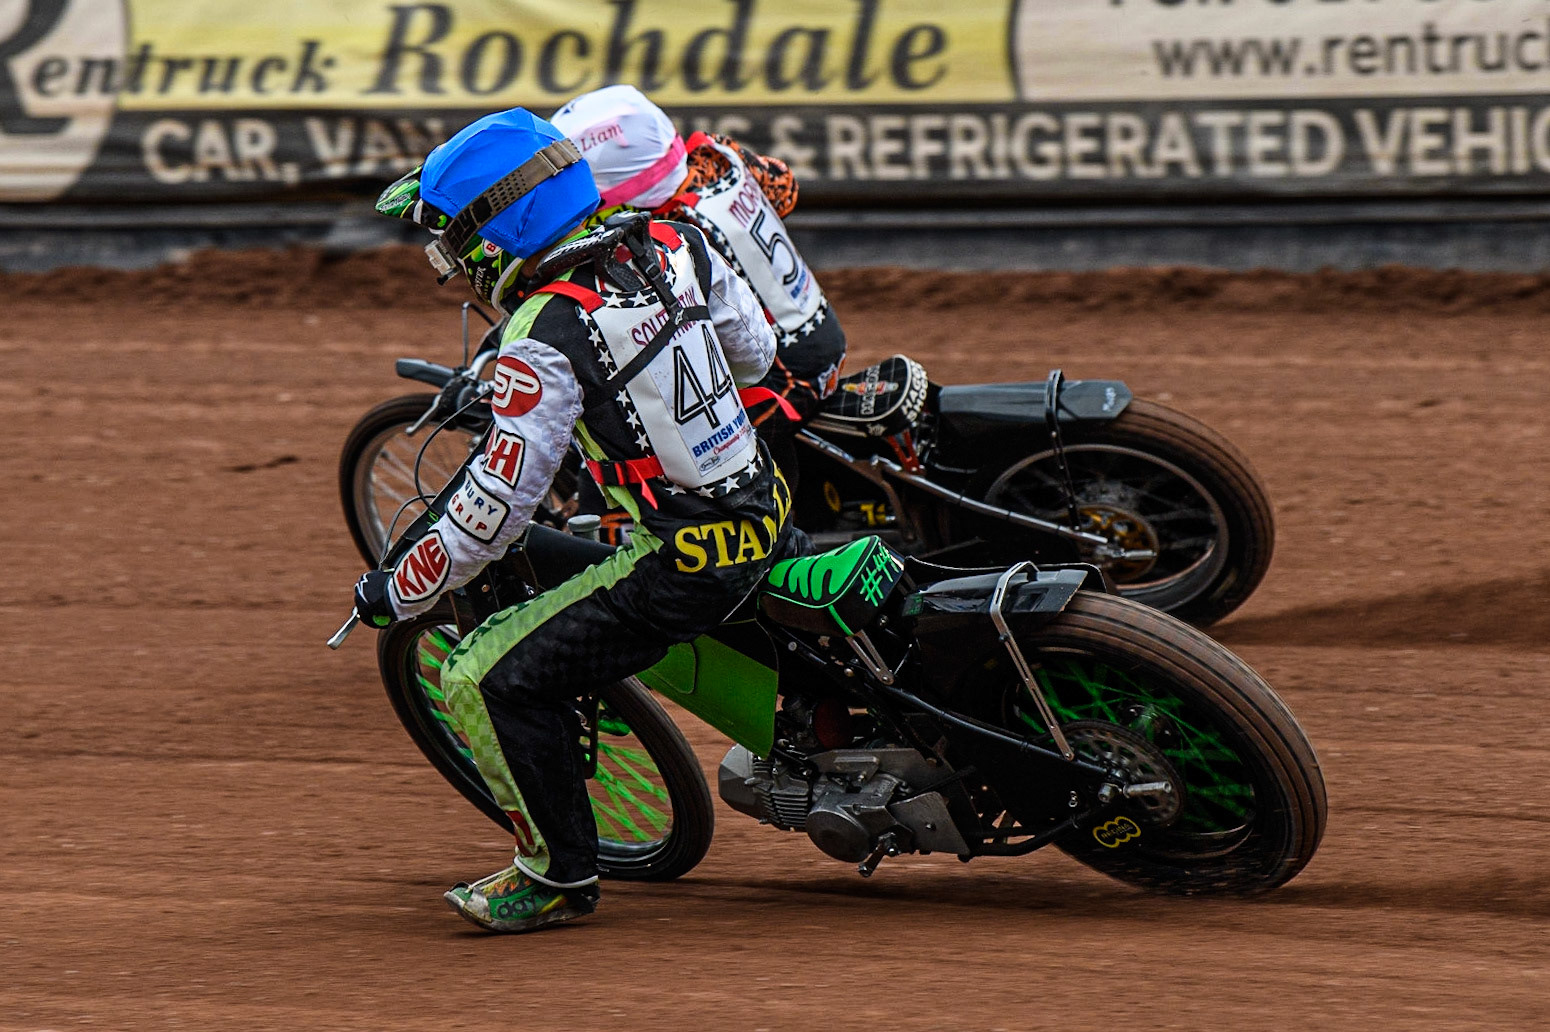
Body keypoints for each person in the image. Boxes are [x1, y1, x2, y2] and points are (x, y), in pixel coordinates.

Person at [354, 107, 803, 933]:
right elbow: (751, 352)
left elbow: (493, 511)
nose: (452, 261)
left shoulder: (542, 332)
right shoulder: (679, 242)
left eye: (455, 238)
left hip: (680, 563)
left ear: (500, 228)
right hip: (768, 503)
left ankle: (555, 877)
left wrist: (400, 588)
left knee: (481, 677)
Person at [550, 86, 847, 483]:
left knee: (631, 454)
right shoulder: (718, 153)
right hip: (817, 332)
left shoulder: (678, 233)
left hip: (788, 378)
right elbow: (784, 190)